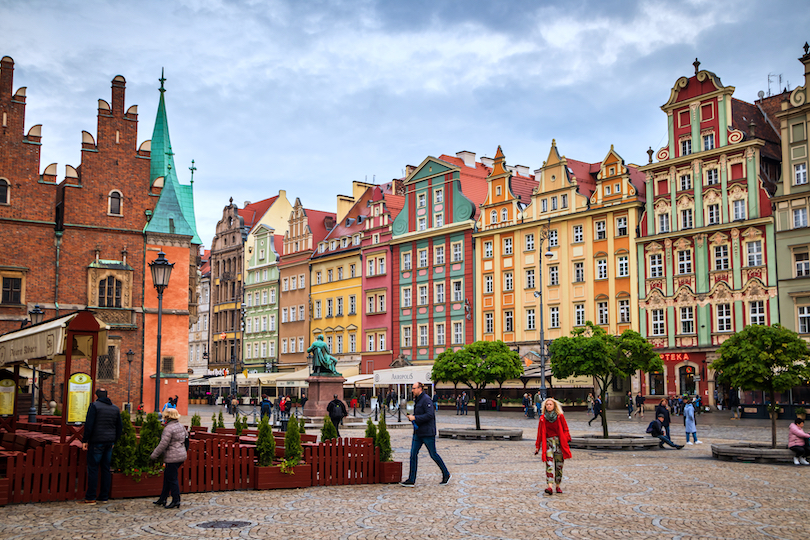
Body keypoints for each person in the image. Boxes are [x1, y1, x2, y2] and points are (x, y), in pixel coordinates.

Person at [401, 382, 450, 487]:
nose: (412, 390)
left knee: (433, 454)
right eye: (412, 388)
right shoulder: (418, 400)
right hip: (418, 432)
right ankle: (411, 479)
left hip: (427, 433)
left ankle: (446, 474)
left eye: (414, 388)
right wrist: (413, 417)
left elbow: (430, 415)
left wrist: (416, 418)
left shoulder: (426, 399)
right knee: (413, 455)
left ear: (420, 389)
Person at [79, 388, 122, 504]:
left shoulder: (94, 406)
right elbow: (119, 427)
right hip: (109, 442)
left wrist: (85, 440)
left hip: (96, 441)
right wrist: (114, 440)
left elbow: (89, 424)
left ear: (96, 395)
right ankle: (104, 496)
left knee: (93, 469)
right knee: (105, 469)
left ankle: (91, 496)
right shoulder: (115, 408)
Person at [150, 408, 188, 509]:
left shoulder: (168, 428)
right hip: (181, 455)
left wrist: (154, 455)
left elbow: (163, 444)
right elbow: (186, 439)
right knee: (167, 477)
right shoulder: (181, 426)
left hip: (172, 457)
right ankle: (163, 498)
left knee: (172, 478)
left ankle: (176, 500)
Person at [534, 398, 572, 495]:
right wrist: (537, 446)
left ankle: (558, 485)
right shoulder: (543, 418)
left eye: (550, 404)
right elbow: (539, 433)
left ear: (554, 406)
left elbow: (565, 429)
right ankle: (550, 486)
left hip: (559, 443)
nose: (549, 406)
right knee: (549, 465)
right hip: (548, 443)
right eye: (547, 404)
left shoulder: (560, 417)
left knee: (559, 466)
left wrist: (566, 439)